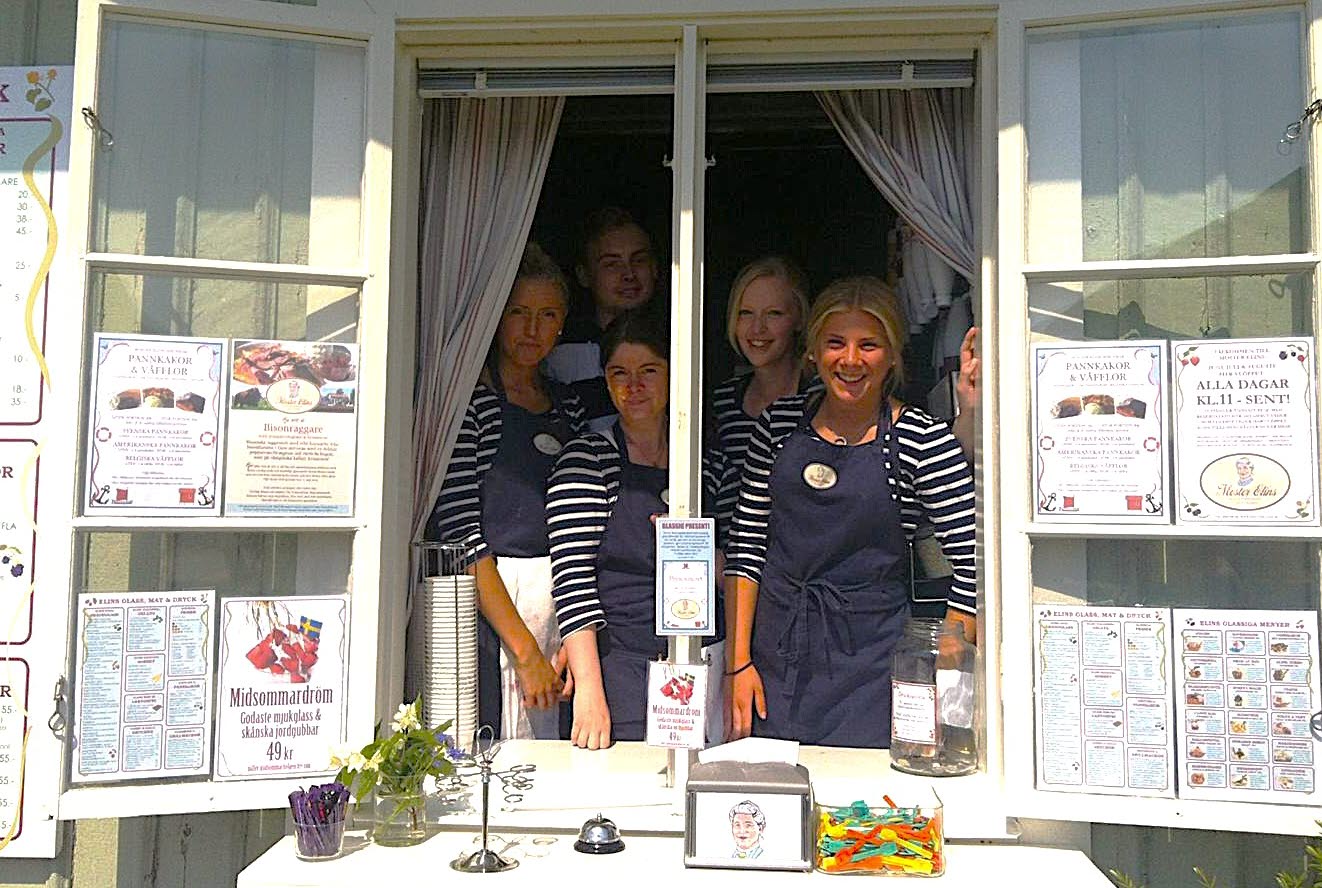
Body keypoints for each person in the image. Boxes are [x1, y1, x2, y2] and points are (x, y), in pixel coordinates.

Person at [724, 276, 976, 748]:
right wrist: (738, 665)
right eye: (836, 343)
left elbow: (973, 561)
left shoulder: (922, 440)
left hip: (874, 664)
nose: (851, 360)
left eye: (869, 345)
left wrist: (949, 660)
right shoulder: (777, 426)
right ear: (813, 351)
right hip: (775, 659)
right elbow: (746, 549)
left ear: (893, 355)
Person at [429, 243, 583, 740]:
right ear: (496, 316)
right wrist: (525, 652)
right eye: (519, 313)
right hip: (491, 612)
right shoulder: (472, 405)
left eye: (547, 315)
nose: (532, 329)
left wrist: (574, 638)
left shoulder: (569, 408)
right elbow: (461, 537)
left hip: (563, 601)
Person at [547, 311, 719, 748]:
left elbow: (737, 568)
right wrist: (590, 692)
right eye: (619, 373)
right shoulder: (587, 459)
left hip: (700, 660)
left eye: (649, 371)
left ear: (674, 375)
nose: (634, 386)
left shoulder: (705, 463)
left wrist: (695, 550)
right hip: (618, 664)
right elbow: (572, 578)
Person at [708, 257, 820, 548]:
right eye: (745, 313)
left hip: (803, 559)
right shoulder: (722, 401)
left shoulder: (821, 396)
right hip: (734, 562)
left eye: (773, 314)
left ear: (799, 319)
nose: (757, 329)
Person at [544, 208, 661, 430]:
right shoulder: (559, 353)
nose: (629, 274)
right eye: (612, 264)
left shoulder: (680, 344)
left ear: (655, 268)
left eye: (639, 260)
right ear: (584, 275)